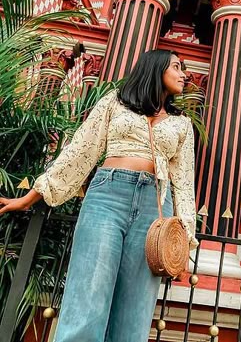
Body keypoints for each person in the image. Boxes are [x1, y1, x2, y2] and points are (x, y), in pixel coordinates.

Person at [0, 49, 198, 342]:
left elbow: (184, 183)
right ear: (155, 68)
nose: (184, 75)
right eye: (177, 67)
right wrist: (35, 194)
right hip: (108, 195)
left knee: (135, 311)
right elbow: (82, 149)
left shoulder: (182, 123)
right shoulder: (115, 102)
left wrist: (185, 244)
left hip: (155, 206)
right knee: (88, 295)